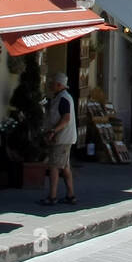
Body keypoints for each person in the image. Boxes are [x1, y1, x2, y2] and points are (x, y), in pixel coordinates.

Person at [40, 72, 77, 205]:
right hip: (65, 138)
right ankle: (70, 195)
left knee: (54, 166)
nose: (50, 85)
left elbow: (65, 119)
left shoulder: (63, 99)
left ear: (59, 85)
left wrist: (53, 131)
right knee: (65, 166)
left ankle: (52, 196)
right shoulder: (60, 97)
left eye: (52, 83)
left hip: (62, 138)